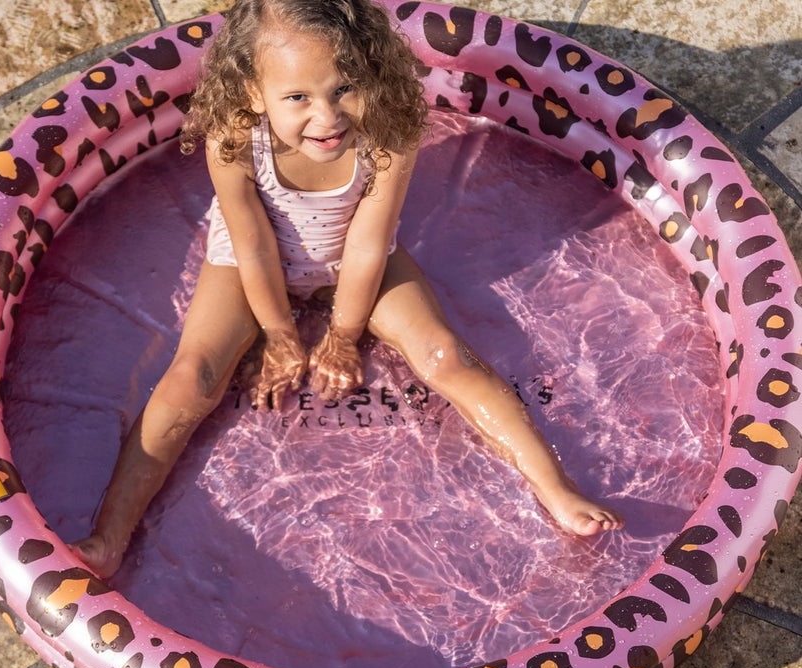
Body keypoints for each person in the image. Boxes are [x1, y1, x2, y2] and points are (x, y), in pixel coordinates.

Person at [71, 0, 623, 578]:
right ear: (254, 93)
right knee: (192, 377)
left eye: (345, 88)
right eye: (298, 98)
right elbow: (254, 245)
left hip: (355, 257)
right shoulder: (234, 138)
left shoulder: (388, 133)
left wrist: (343, 333)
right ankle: (110, 535)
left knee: (445, 355)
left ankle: (558, 491)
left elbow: (366, 244)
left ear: (372, 72)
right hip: (249, 262)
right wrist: (279, 333)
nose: (327, 116)